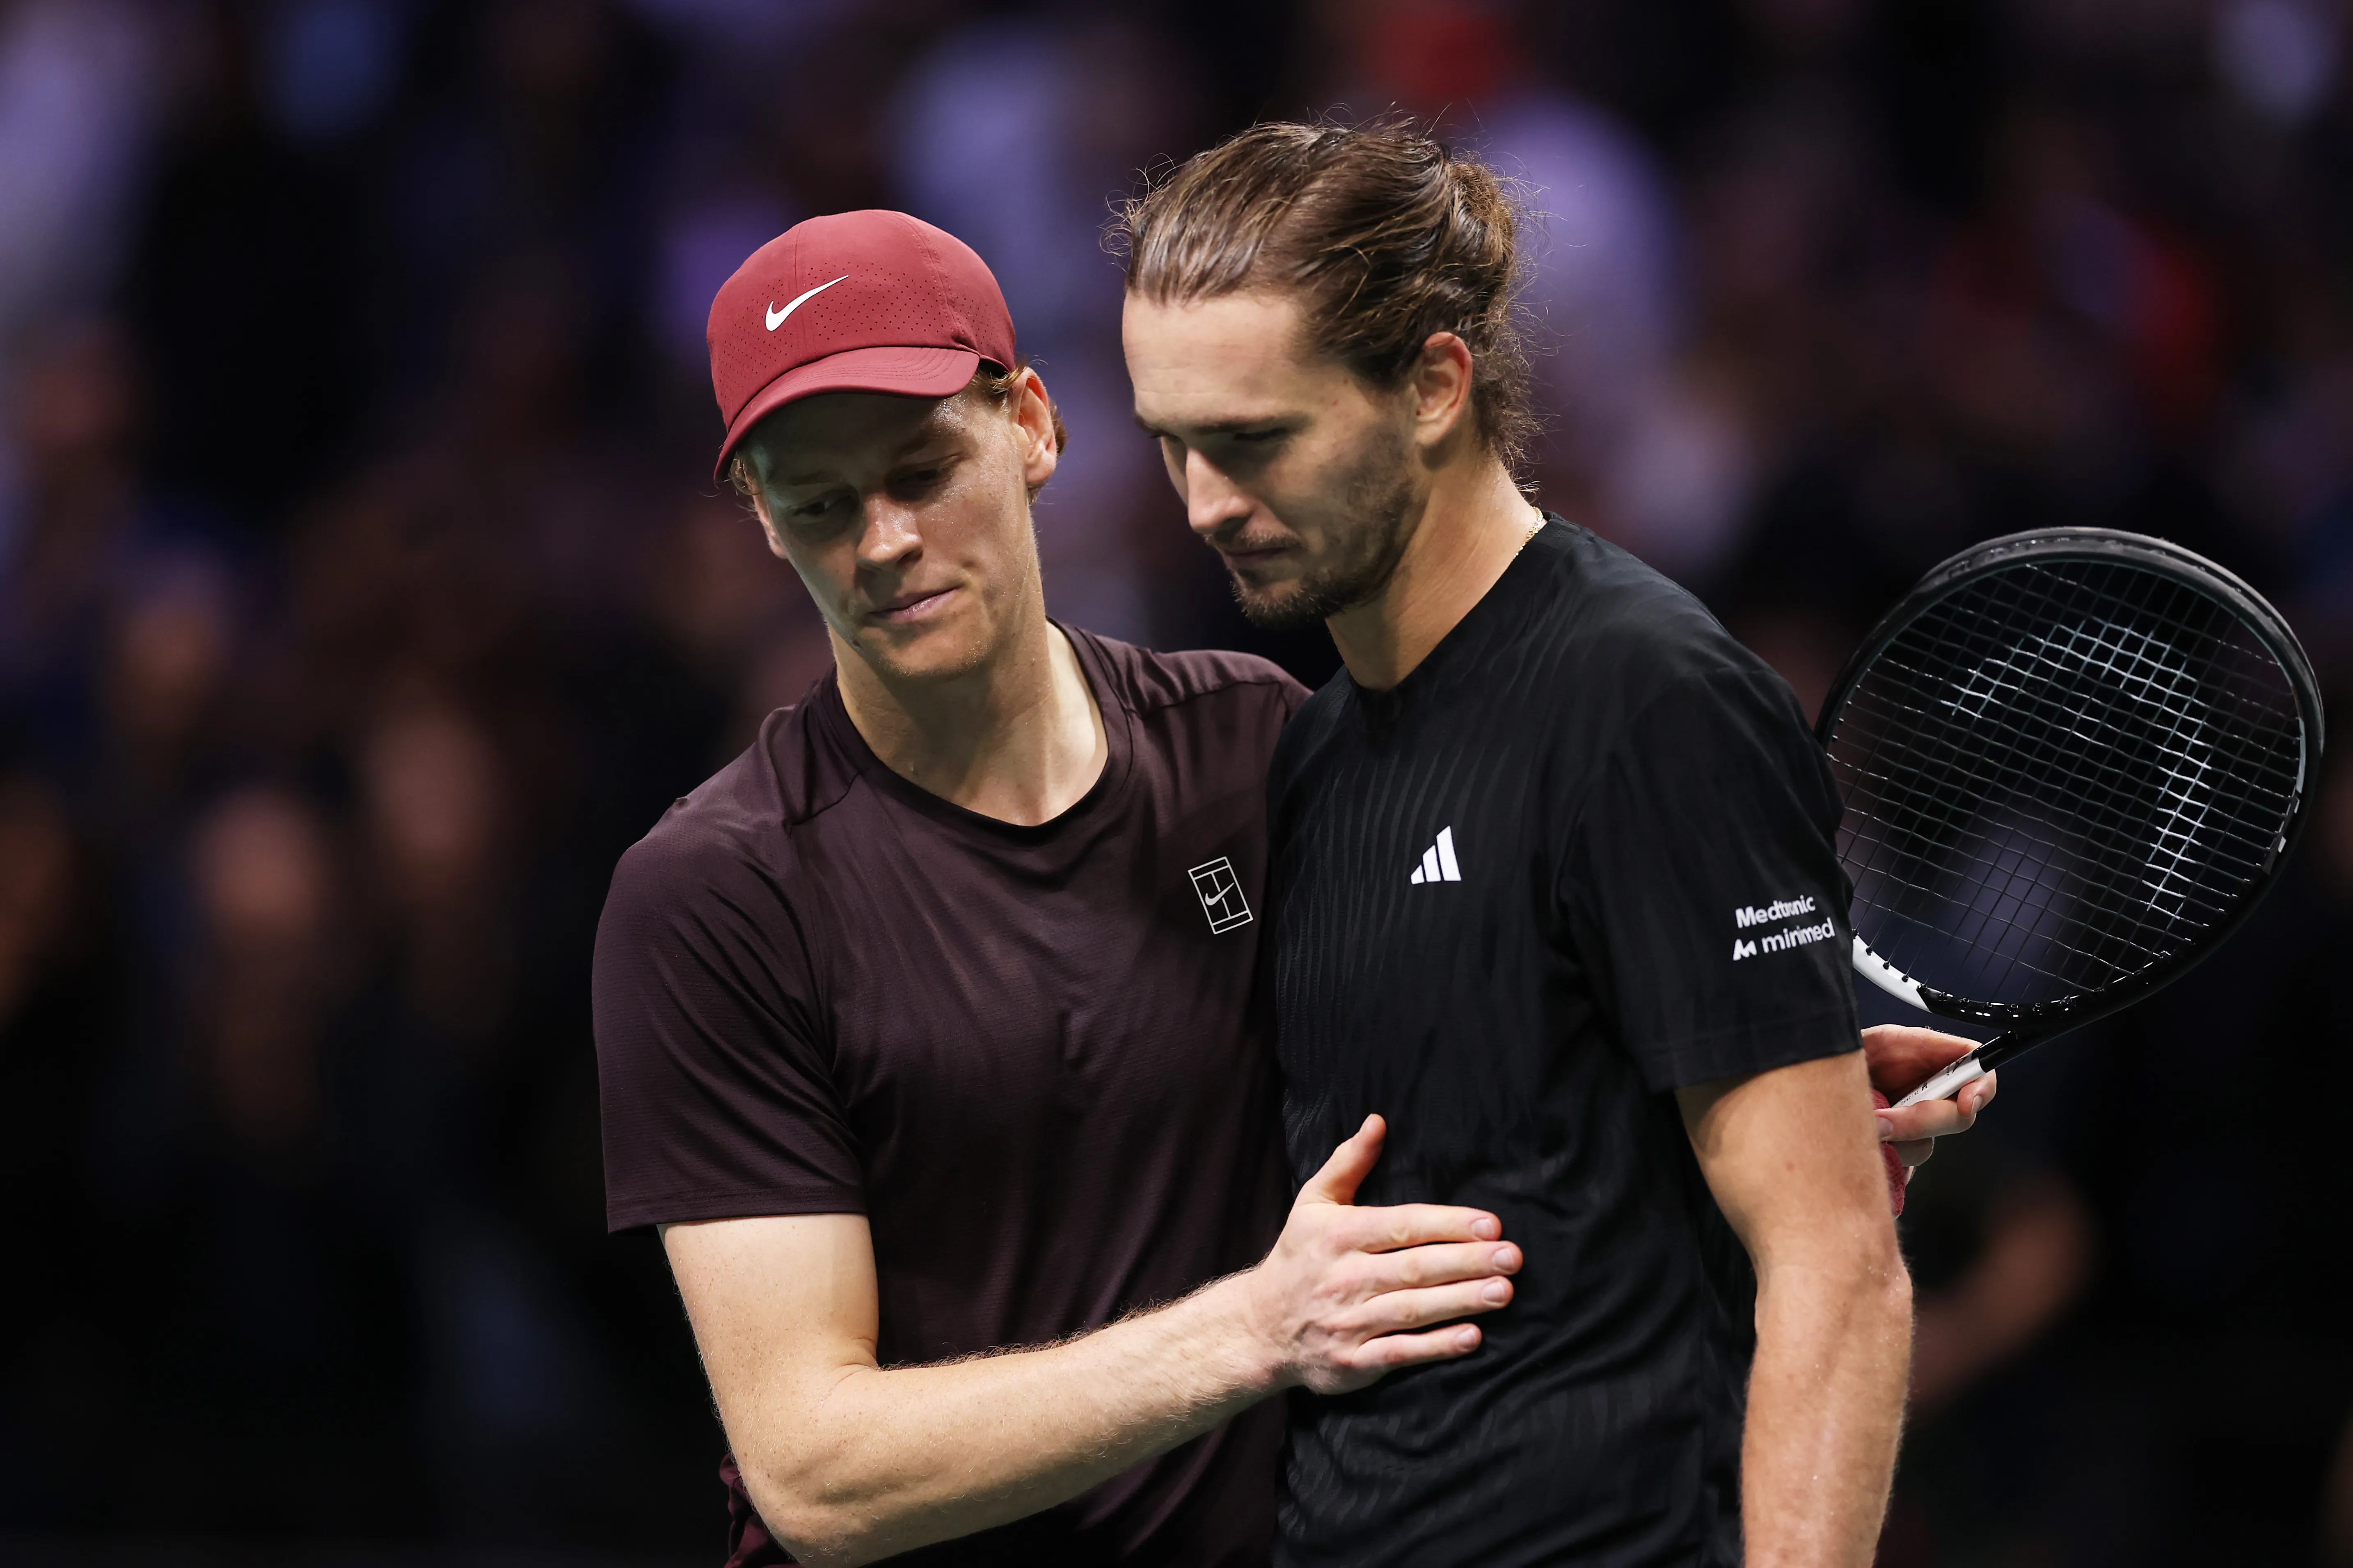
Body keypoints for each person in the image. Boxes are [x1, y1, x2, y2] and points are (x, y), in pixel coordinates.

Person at [590, 208, 1529, 1568]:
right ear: (763, 524)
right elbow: (812, 1465)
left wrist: (1745, 1104)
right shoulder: (714, 898)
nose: (885, 540)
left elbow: (1466, 1087)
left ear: (1030, 425)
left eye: (923, 468)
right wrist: (1259, 1327)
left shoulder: (1252, 743)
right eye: (820, 505)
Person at [1116, 120, 1995, 1567]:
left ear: (1431, 386)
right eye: (1174, 443)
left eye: (1256, 439)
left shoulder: (1647, 699)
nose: (1206, 500)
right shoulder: (1319, 754)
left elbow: (1836, 1273)